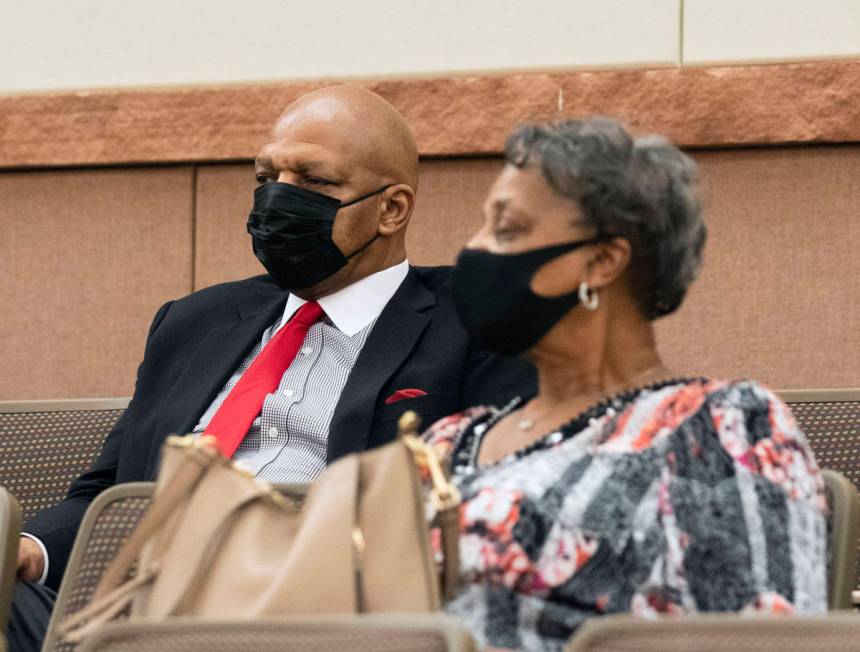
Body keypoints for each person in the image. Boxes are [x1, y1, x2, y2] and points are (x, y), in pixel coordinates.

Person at [9, 86, 535, 651]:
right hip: (134, 608)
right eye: (267, 179)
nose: (279, 199)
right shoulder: (194, 322)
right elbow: (111, 489)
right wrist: (27, 550)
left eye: (313, 182)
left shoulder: (471, 322)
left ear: (391, 209)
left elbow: (492, 506)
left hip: (313, 614)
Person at [423, 117, 827, 651]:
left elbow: (767, 639)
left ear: (603, 260)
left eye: (507, 230)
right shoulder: (448, 440)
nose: (473, 251)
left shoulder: (718, 430)